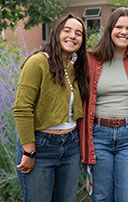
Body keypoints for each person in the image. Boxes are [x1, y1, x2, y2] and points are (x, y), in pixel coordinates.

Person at [78, 7, 128, 202]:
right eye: (119, 27)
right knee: (102, 196)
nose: (124, 32)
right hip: (98, 137)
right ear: (109, 29)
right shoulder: (89, 60)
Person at [13, 14, 89, 202]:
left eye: (78, 33)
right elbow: (22, 108)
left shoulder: (73, 67)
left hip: (71, 147)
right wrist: (29, 150)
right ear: (56, 33)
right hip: (41, 147)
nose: (73, 36)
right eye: (67, 30)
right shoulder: (37, 62)